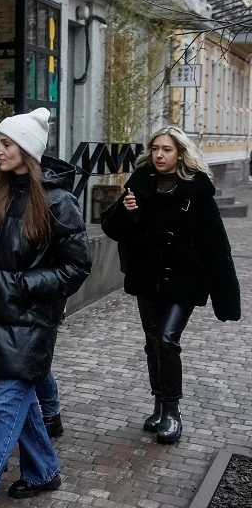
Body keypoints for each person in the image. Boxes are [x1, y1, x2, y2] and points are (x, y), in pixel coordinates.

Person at [0, 108, 91, 508]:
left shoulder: (58, 202)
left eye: (6, 143)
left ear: (27, 149)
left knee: (5, 410)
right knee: (19, 406)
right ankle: (42, 470)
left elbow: (78, 266)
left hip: (30, 325)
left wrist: (25, 284)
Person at [101, 126, 240, 444]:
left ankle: (172, 412)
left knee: (166, 339)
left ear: (180, 153)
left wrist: (226, 298)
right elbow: (112, 228)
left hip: (185, 280)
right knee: (152, 342)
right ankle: (158, 405)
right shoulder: (139, 184)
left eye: (166, 149)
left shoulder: (197, 191)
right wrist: (126, 212)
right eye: (155, 149)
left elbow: (216, 246)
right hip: (147, 278)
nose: (159, 155)